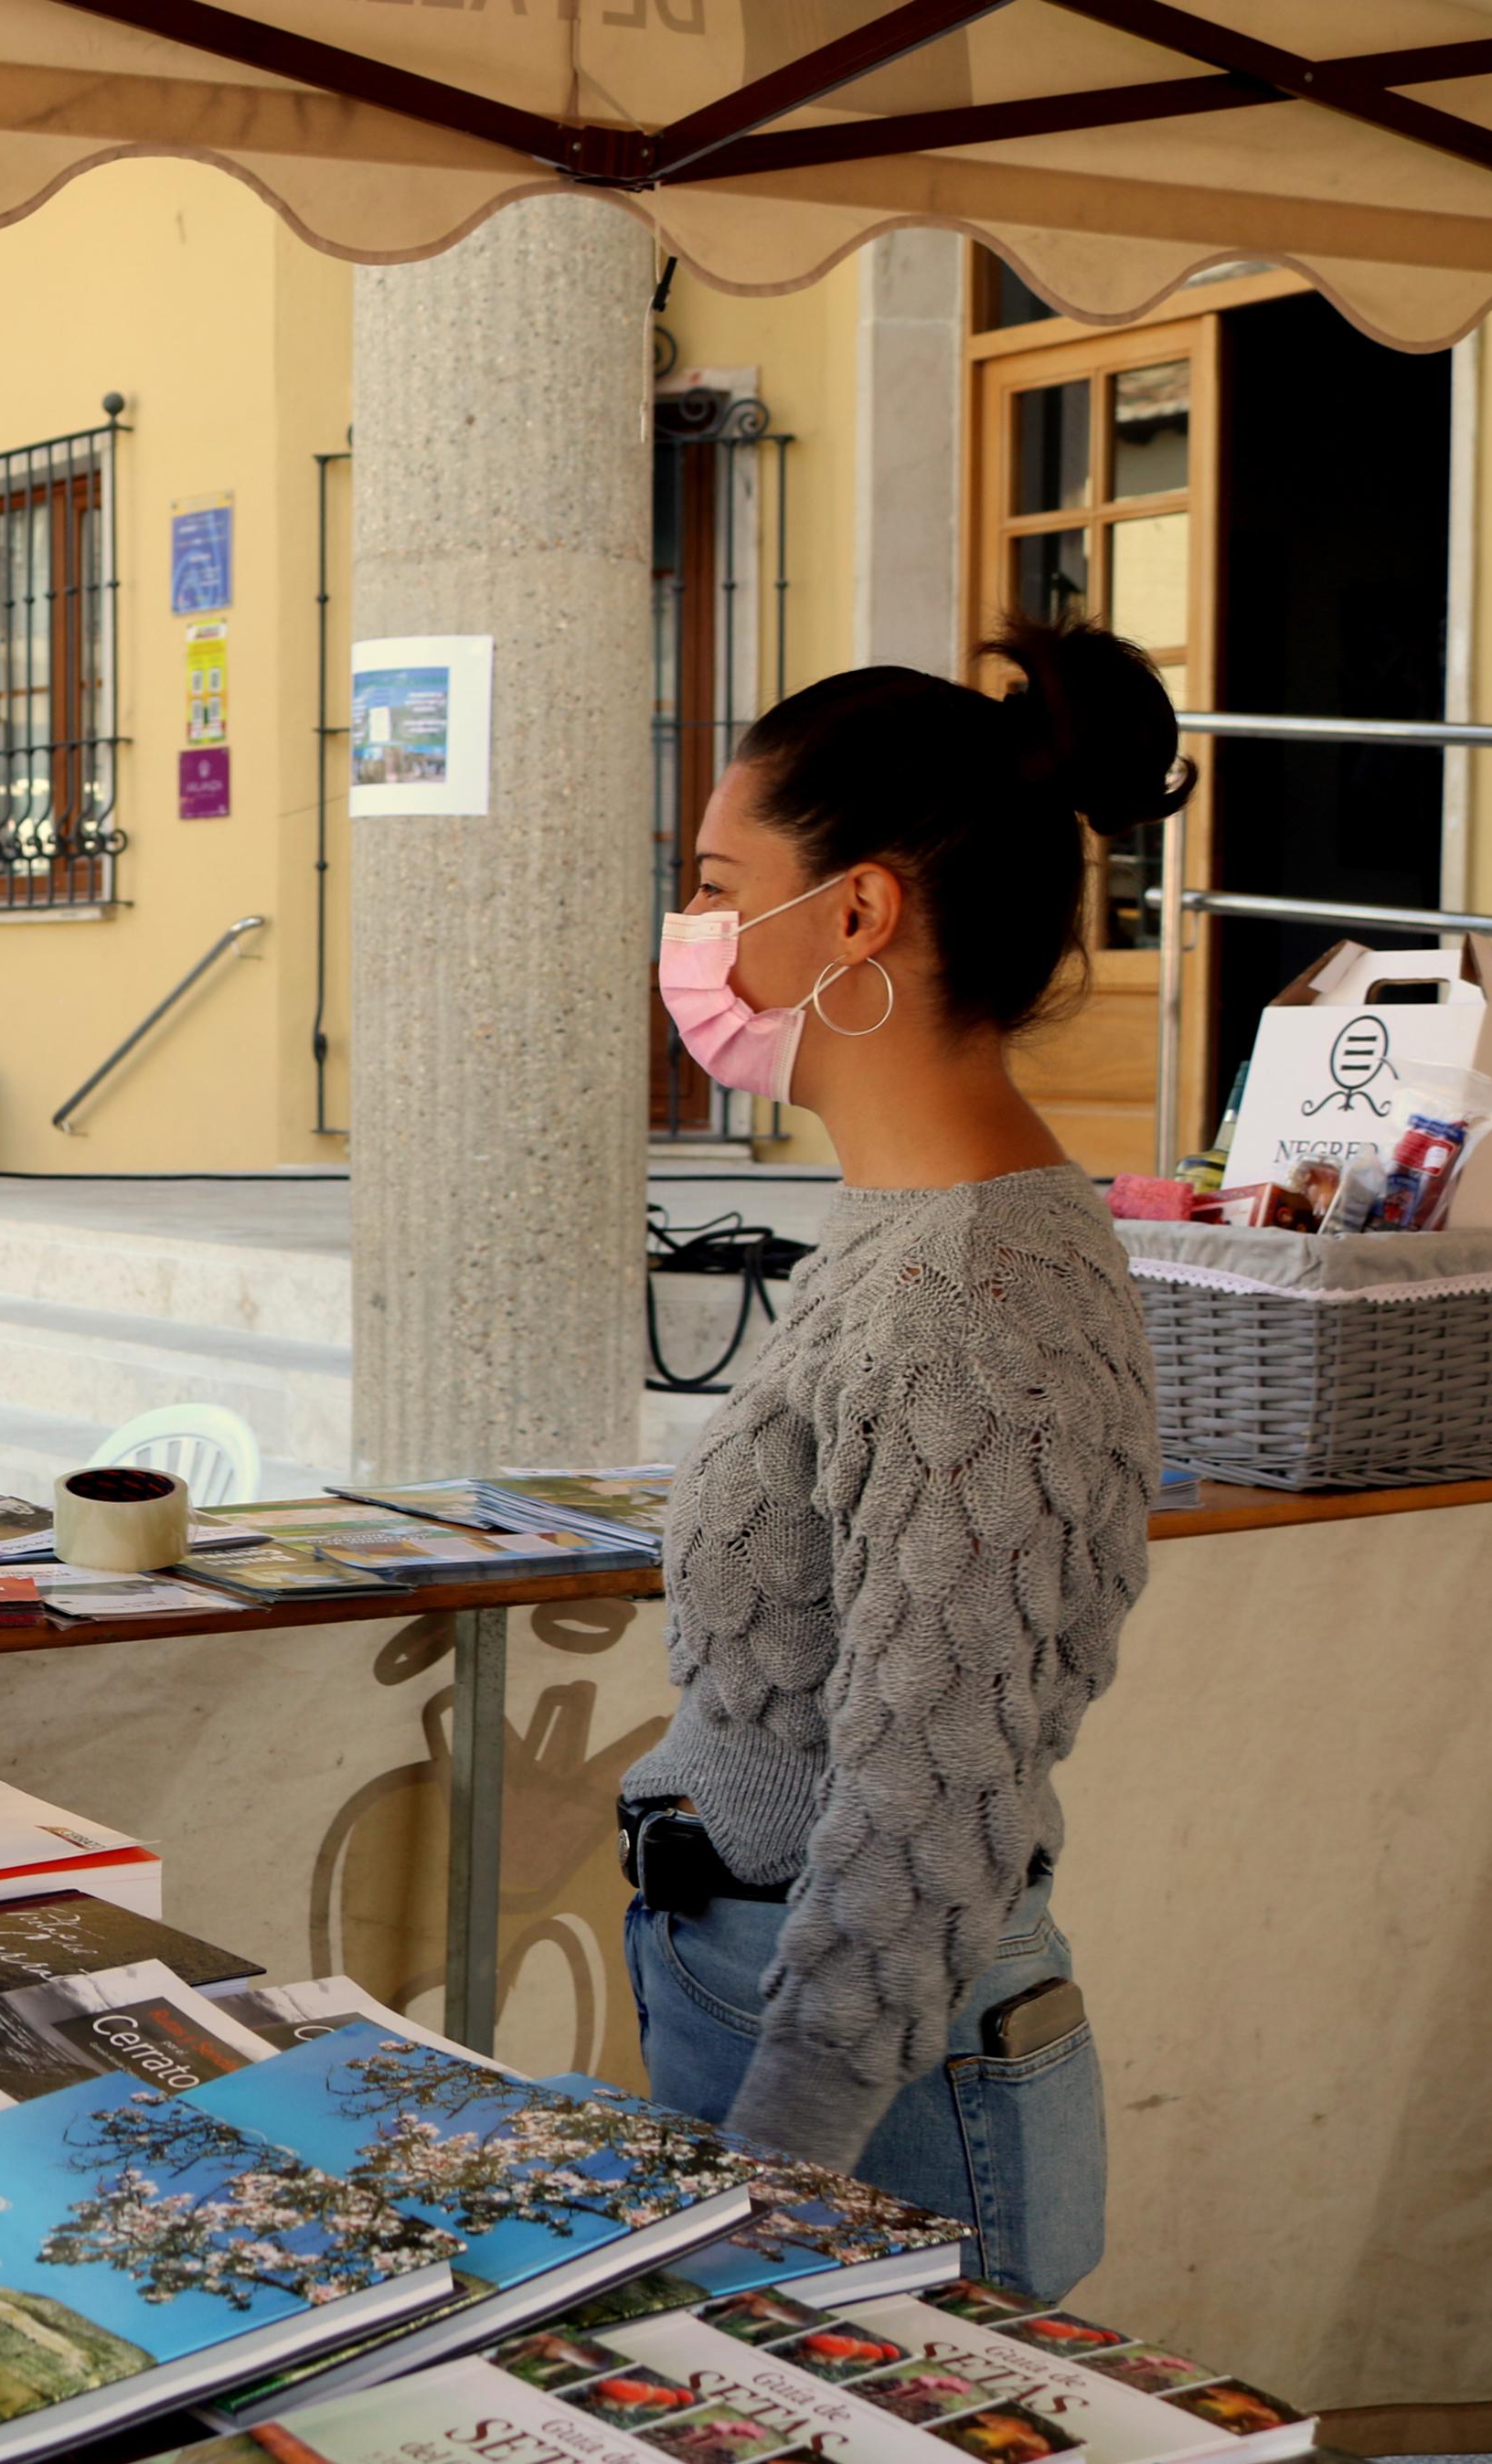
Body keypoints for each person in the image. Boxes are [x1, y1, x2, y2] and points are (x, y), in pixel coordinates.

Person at [620, 616, 1183, 2299]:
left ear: (855, 910)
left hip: (875, 2091)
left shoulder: (975, 1295)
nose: (694, 933)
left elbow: (930, 1811)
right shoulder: (905, 1233)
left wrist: (766, 2176)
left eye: (719, 887)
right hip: (777, 1999)